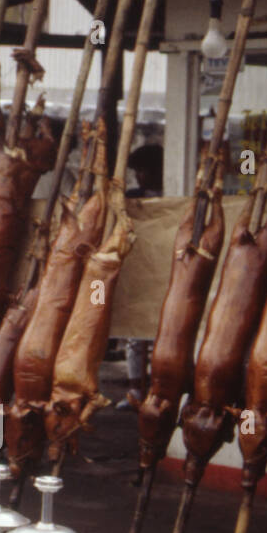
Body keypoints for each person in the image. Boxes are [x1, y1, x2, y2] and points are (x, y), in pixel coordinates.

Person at [116, 142, 163, 412]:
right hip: (138, 267)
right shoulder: (132, 196)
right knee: (135, 334)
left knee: (158, 334)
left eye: (143, 171)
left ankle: (157, 388)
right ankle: (136, 390)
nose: (139, 177)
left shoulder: (174, 193)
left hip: (163, 267)